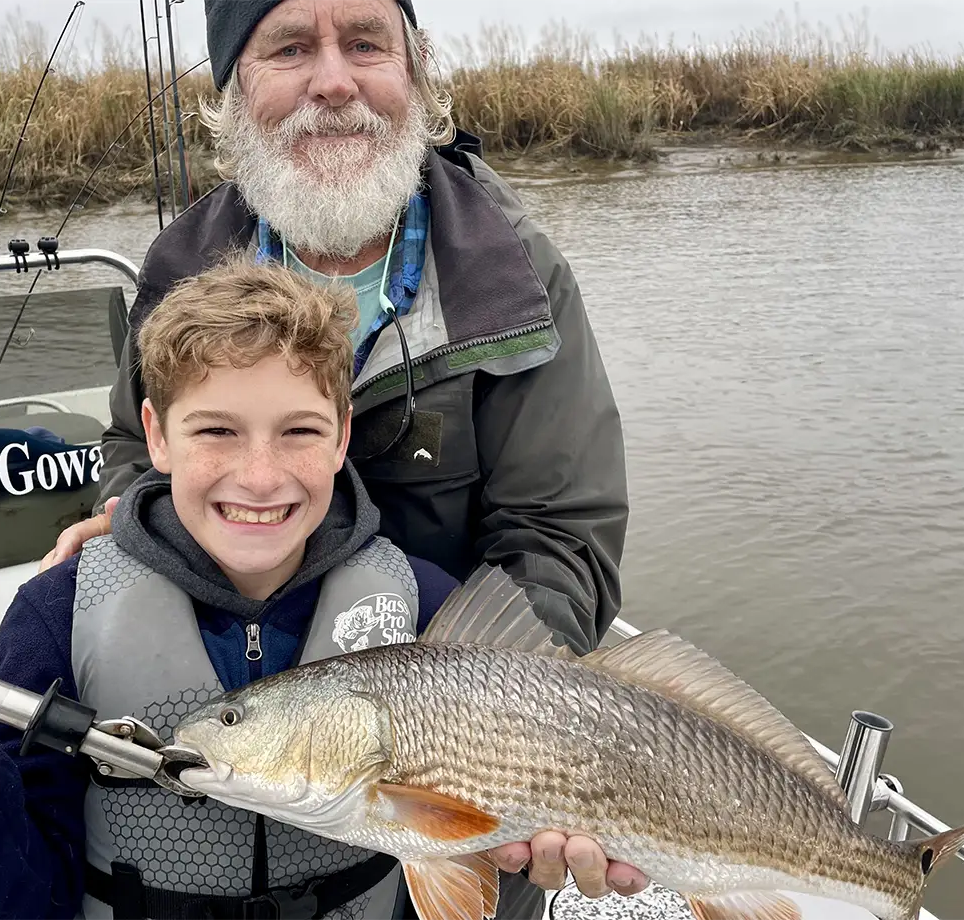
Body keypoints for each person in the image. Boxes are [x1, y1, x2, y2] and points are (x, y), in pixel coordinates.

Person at [40, 0, 646, 911]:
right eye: (290, 47)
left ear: (415, 71)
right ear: (233, 88)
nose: (333, 79)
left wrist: (504, 743)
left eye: (366, 42)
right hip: (247, 741)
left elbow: (561, 536)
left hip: (467, 771)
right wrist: (133, 522)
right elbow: (136, 441)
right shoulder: (179, 264)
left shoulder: (517, 273)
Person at [0, 260, 466, 920]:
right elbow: (9, 905)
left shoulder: (428, 603)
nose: (262, 477)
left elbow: (469, 844)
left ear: (341, 437)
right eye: (217, 430)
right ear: (155, 434)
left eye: (300, 430)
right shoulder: (55, 618)